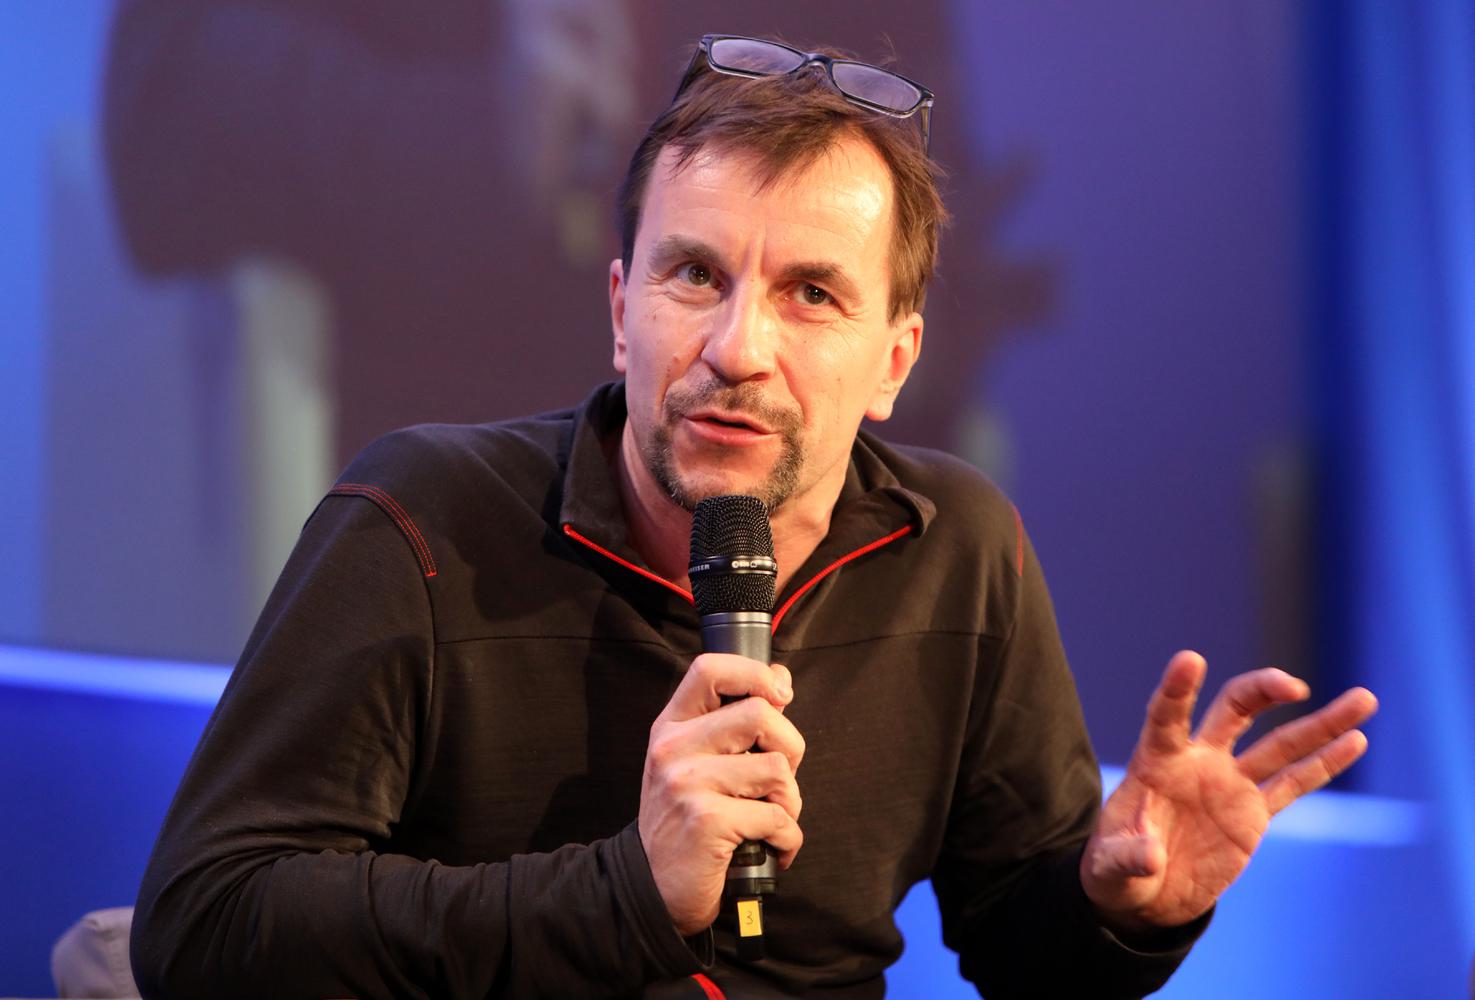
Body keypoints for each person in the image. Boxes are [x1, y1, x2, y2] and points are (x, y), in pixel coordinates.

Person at [130, 34, 1378, 1000]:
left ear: (894, 361)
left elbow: (1025, 948)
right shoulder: (420, 522)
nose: (736, 348)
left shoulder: (958, 550)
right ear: (619, 310)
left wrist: (1121, 908)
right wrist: (624, 890)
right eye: (694, 274)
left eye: (810, 294)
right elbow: (204, 925)